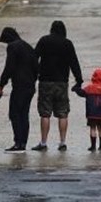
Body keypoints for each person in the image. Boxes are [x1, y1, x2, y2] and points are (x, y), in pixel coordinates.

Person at [32, 20, 83, 151]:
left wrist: (36, 73)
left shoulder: (44, 40)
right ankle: (62, 143)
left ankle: (43, 143)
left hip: (45, 82)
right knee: (62, 113)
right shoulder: (67, 43)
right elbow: (74, 63)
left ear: (51, 29)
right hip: (62, 83)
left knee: (45, 113)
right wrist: (79, 80)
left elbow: (33, 58)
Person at [0, 26, 39, 152]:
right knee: (24, 114)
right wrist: (33, 81)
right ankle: (23, 143)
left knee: (14, 114)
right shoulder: (27, 46)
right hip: (30, 86)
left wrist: (1, 84)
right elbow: (37, 66)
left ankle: (17, 143)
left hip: (19, 86)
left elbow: (9, 67)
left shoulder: (12, 47)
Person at [72, 68, 101, 151]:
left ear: (93, 77)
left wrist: (76, 89)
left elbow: (81, 93)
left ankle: (93, 146)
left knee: (93, 128)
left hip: (91, 113)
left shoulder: (89, 88)